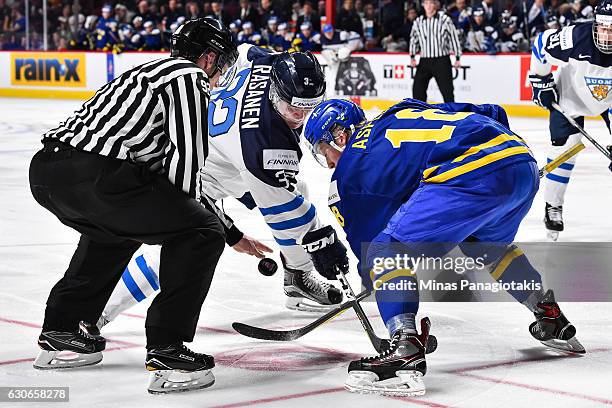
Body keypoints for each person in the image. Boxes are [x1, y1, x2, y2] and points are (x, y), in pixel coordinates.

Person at [303, 98, 584, 396]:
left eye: (324, 151)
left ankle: (405, 348)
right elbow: (491, 112)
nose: (330, 162)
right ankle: (548, 314)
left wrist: (376, 279)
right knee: (486, 247)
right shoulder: (402, 110)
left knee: (385, 251)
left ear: (340, 136)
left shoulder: (350, 170)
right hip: (520, 162)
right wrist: (502, 163)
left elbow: (372, 248)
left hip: (471, 173)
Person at [29, 18, 239, 394]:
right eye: (220, 63)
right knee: (202, 233)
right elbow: (186, 166)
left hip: (49, 172)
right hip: (99, 172)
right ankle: (167, 346)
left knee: (118, 228)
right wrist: (213, 225)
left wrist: (232, 230)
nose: (220, 73)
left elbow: (155, 184)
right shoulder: (188, 77)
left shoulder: (145, 71)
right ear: (208, 57)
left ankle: (61, 328)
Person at [97, 44, 347, 329]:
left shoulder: (266, 60)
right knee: (176, 243)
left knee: (297, 189)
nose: (299, 117)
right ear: (276, 93)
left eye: (308, 107)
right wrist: (321, 241)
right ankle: (98, 313)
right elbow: (282, 211)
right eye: (292, 108)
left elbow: (242, 51)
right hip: (193, 169)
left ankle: (297, 277)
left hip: (219, 150)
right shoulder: (265, 145)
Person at [529, 0, 612, 240]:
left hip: (609, 102)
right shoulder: (574, 37)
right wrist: (541, 81)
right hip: (571, 96)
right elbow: (541, 44)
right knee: (566, 148)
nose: (606, 35)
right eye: (603, 27)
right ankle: (552, 206)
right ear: (595, 24)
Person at [409, 0, 462, 103]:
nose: (428, 6)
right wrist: (412, 57)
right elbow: (413, 39)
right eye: (426, 3)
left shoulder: (445, 19)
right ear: (423, 5)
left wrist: (457, 57)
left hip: (441, 60)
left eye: (431, 3)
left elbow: (453, 38)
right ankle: (420, 113)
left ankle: (451, 116)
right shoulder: (418, 21)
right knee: (417, 89)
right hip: (424, 60)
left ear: (436, 5)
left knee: (447, 92)